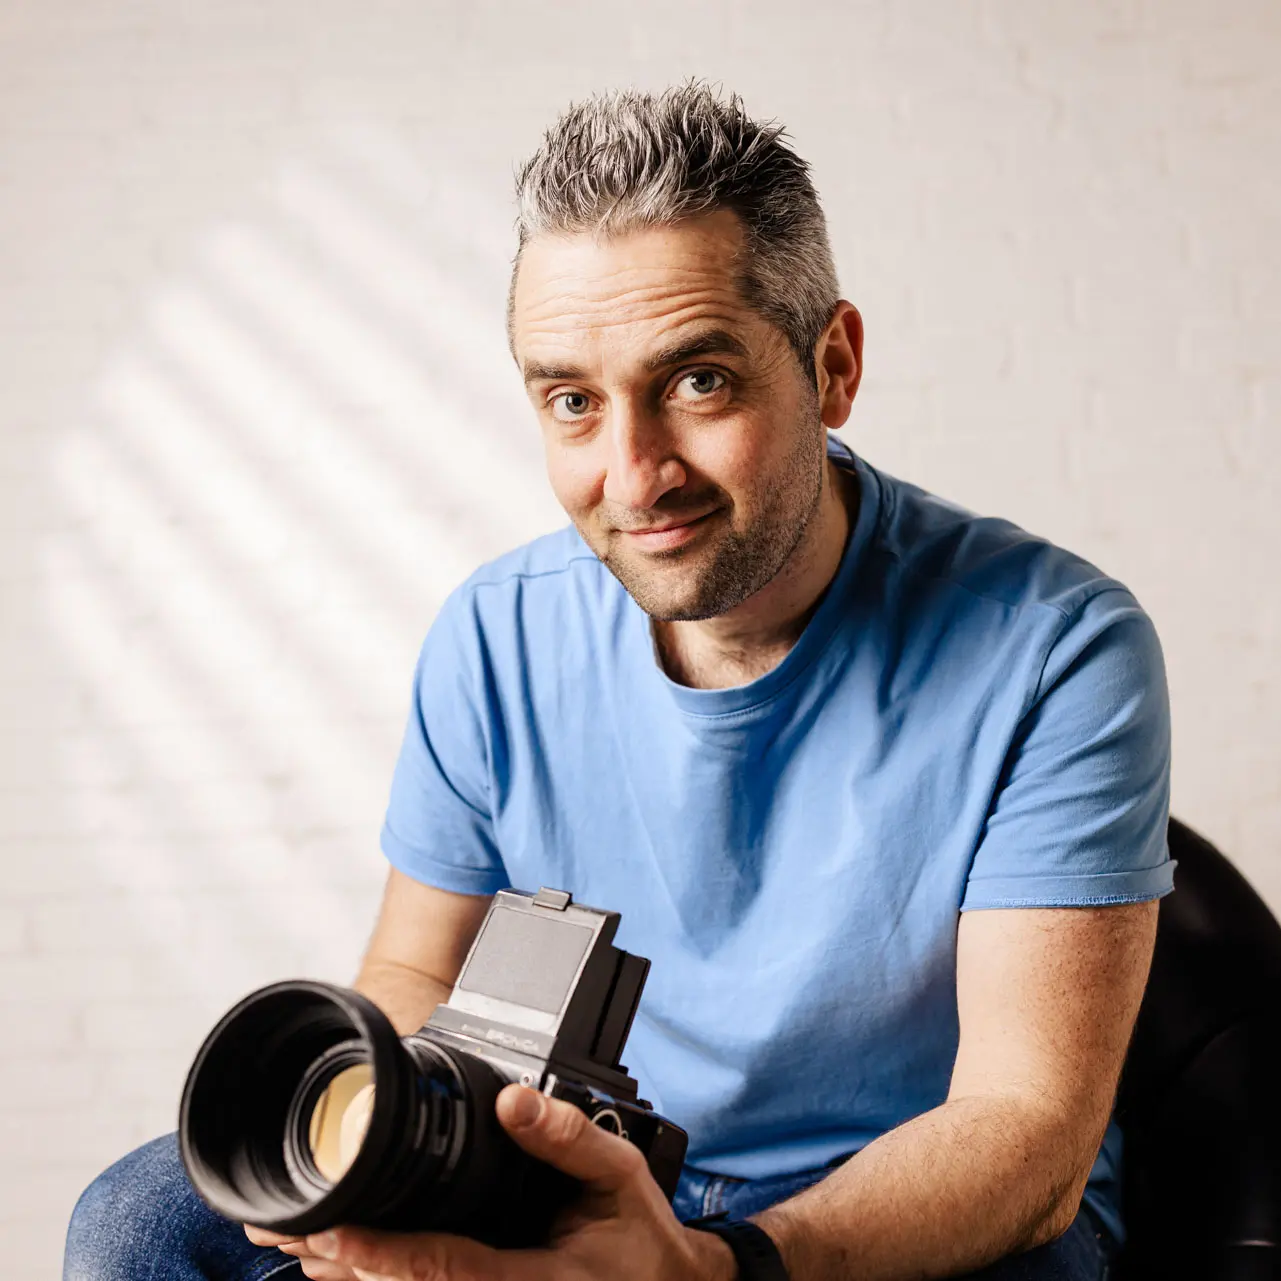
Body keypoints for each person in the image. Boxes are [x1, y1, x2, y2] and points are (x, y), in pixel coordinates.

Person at [64, 81, 1173, 1281]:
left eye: (698, 381)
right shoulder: (496, 633)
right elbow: (416, 973)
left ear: (833, 366)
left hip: (910, 1180)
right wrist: (384, 1159)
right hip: (579, 1144)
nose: (634, 476)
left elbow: (1027, 1131)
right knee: (138, 1229)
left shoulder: (1056, 647)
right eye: (575, 403)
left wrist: (711, 1264)